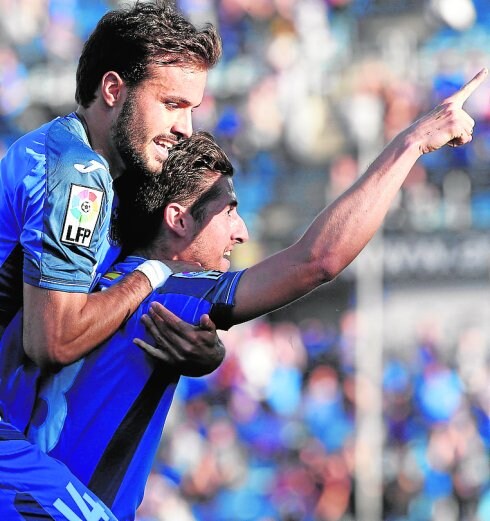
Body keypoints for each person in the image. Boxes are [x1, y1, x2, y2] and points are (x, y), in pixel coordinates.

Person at [10, 68, 485, 520]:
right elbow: (316, 261)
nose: (241, 231)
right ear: (178, 219)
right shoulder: (164, 286)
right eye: (229, 211)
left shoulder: (81, 287)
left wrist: (210, 350)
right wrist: (412, 143)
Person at [0, 1, 225, 519]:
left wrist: (205, 353)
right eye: (171, 104)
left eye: (192, 108)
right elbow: (53, 341)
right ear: (113, 89)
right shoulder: (76, 173)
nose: (186, 127)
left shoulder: (110, 174)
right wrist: (152, 274)